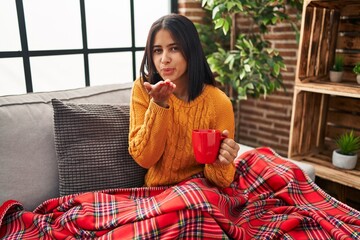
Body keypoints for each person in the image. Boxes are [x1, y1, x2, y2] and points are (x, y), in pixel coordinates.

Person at [128, 13, 240, 188]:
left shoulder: (219, 102)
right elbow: (144, 158)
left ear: (191, 50)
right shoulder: (143, 89)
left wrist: (221, 162)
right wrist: (158, 104)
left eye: (174, 48)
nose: (164, 59)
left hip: (200, 190)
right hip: (158, 193)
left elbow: (222, 181)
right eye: (157, 50)